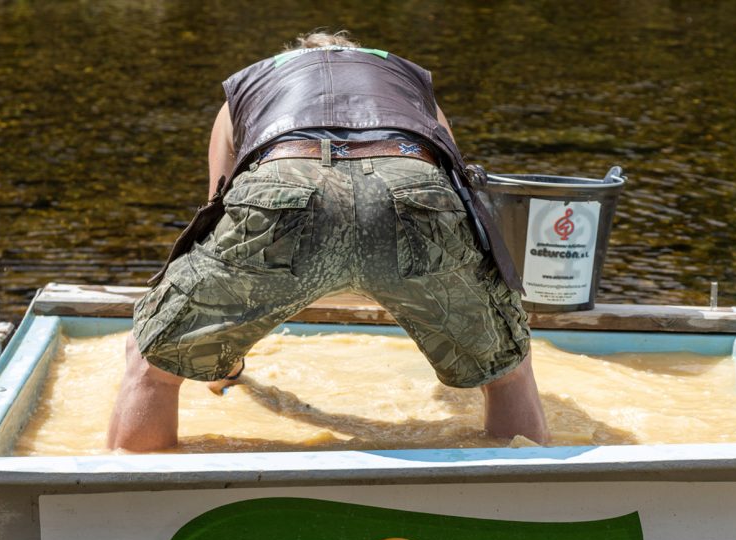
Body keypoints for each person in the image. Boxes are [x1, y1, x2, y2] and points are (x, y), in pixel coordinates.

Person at [107, 31, 548, 451]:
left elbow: (217, 211)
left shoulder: (245, 90)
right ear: (361, 58)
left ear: (295, 58)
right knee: (507, 366)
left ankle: (123, 505)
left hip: (283, 181)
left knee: (152, 362)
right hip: (411, 183)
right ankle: (530, 497)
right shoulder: (409, 84)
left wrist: (221, 348)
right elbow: (453, 186)